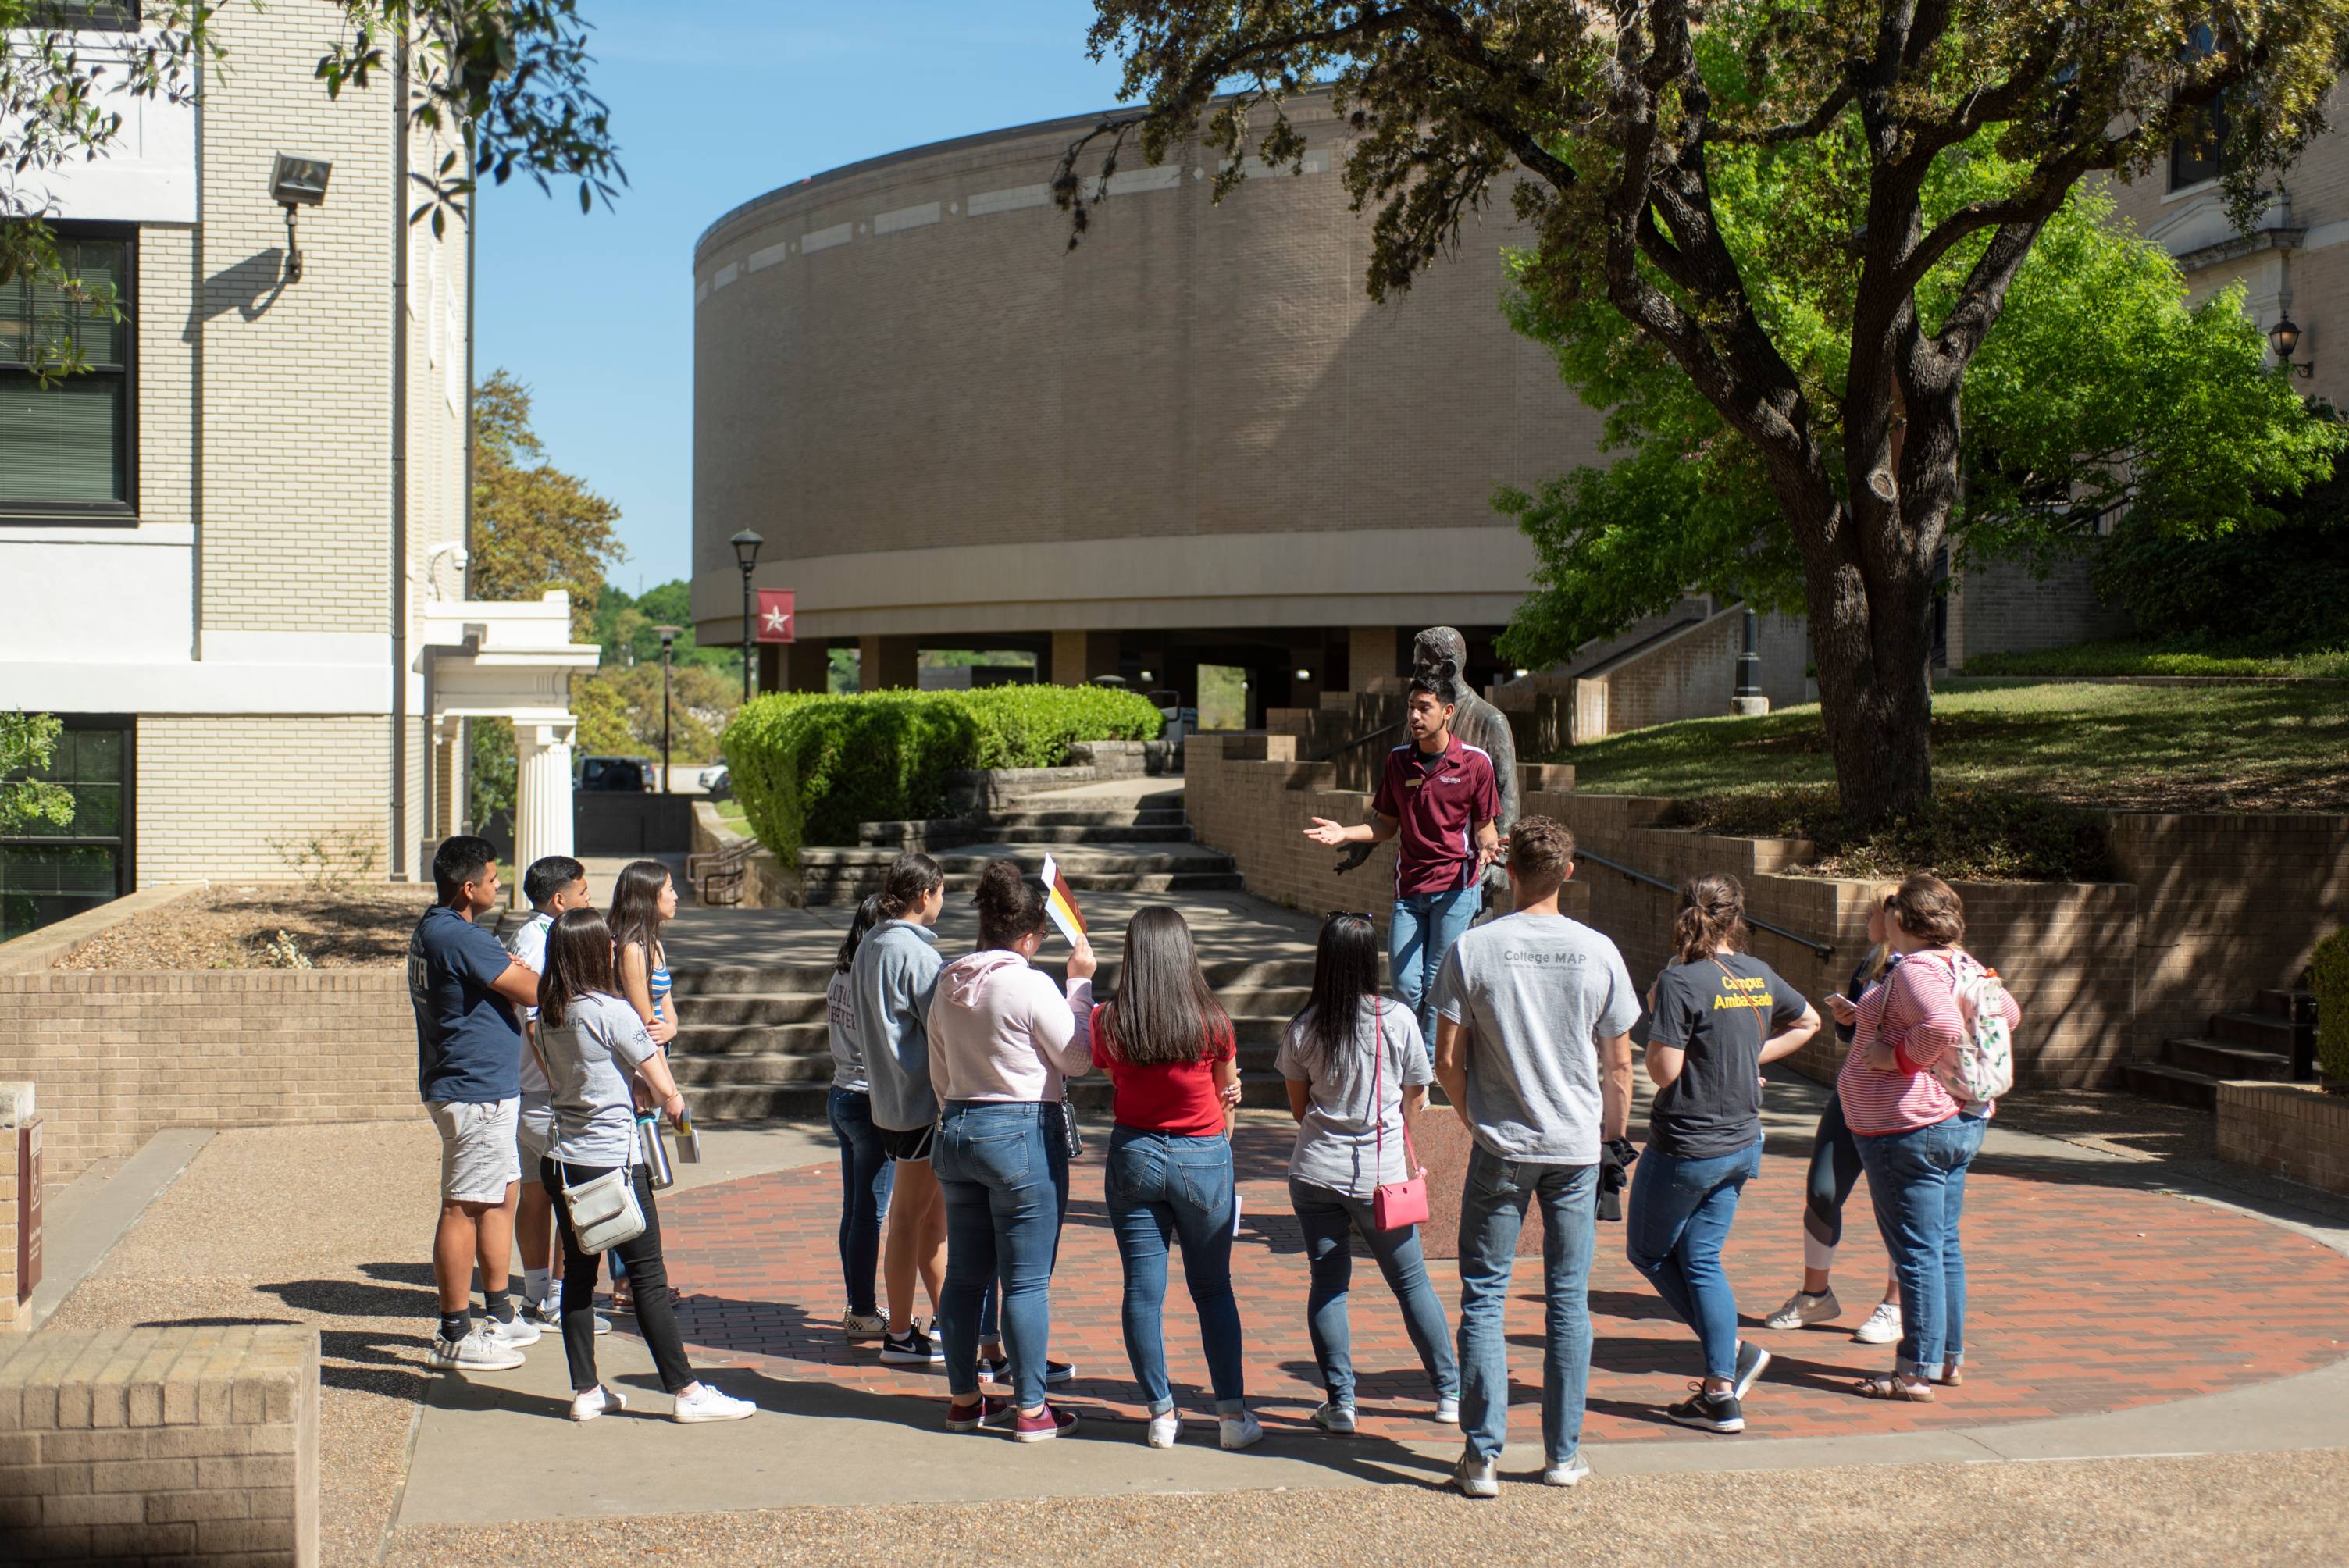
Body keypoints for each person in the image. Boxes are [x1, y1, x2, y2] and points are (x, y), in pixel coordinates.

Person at [1431, 816, 1639, 1495]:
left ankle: (1482, 1456)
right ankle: (1562, 1454)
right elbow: (1619, 1066)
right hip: (1576, 1146)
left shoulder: (1473, 948)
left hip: (1504, 1142)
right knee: (1567, 1299)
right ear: (1569, 873)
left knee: (1485, 1296)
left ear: (1506, 869)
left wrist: (1472, 1116)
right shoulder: (1599, 950)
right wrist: (1611, 1137)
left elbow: (1447, 1060)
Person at [535, 907, 756, 1424]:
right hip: (615, 1163)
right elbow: (663, 1085)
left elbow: (576, 1078)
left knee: (579, 1277)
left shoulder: (548, 1014)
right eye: (606, 944)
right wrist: (674, 1105)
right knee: (648, 1278)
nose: (614, 949)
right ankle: (687, 1392)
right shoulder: (611, 1013)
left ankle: (587, 1391)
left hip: (565, 1160)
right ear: (593, 952)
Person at [1624, 874, 1821, 1436]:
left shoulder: (1680, 981)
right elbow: (1808, 1020)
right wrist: (1748, 1052)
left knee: (1649, 1252)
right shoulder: (1757, 974)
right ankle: (1720, 1391)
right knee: (1702, 1260)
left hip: (1687, 1146)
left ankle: (1730, 1352)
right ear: (1737, 919)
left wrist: (1654, 1010)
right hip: (1741, 1143)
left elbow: (1664, 1072)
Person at [1075, 905, 1261, 1451]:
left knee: (1142, 1290)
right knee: (1212, 1288)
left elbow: (1111, 1070)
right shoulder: (1212, 1021)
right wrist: (1222, 1128)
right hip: (1202, 1154)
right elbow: (1229, 1093)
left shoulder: (1110, 1021)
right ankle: (1231, 1417)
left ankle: (1160, 1413)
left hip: (1135, 1151)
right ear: (1185, 954)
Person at [928, 861, 1097, 1441]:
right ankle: (1031, 1409)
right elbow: (1077, 1058)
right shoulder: (1028, 983)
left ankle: (964, 1400)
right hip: (1022, 1131)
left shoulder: (949, 982)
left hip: (958, 1129)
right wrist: (1080, 984)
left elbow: (939, 1071)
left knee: (966, 1277)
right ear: (1028, 936)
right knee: (1025, 1281)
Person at [1277, 911, 1460, 1438]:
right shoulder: (1397, 1019)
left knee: (1329, 1287)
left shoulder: (1304, 1027)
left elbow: (1299, 1109)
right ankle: (1448, 1392)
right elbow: (1416, 1100)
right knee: (1411, 1282)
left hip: (1314, 1173)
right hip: (1382, 1178)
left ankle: (1342, 1403)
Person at [1841, 874, 2020, 1402]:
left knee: (1916, 1252)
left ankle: (1914, 1372)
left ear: (1903, 918)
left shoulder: (1918, 966)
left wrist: (1895, 1056)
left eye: (1891, 909)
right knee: (1942, 1246)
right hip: (1956, 1118)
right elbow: (2007, 1013)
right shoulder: (1961, 963)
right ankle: (1946, 1359)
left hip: (1909, 1126)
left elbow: (1941, 1025)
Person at [1303, 672, 1500, 1051]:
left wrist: (1489, 847)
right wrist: (1346, 832)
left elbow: (1485, 828)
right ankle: (1408, 1059)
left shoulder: (1476, 762)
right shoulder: (1398, 761)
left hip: (1457, 887)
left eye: (1423, 708)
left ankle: (1423, 1071)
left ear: (1447, 712)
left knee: (1436, 984)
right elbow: (1385, 825)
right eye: (1410, 707)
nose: (1414, 716)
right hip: (1409, 888)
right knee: (1406, 985)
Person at [408, 835, 545, 1371]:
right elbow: (536, 988)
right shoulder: (461, 939)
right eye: (492, 880)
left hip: (478, 1087)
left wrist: (510, 971)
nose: (498, 886)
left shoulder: (438, 929)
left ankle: (500, 1313)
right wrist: (520, 974)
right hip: (473, 1091)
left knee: (499, 1196)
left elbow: (511, 980)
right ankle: (455, 1333)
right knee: (464, 1205)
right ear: (469, 887)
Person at [1764, 882, 1905, 1345]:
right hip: (1852, 1092)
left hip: (1901, 1103)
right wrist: (1850, 1022)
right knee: (1823, 1191)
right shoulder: (1871, 962)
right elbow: (1854, 1039)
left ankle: (1895, 1305)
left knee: (1900, 1206)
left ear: (1893, 917)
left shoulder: (1921, 969)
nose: (1865, 921)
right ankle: (1815, 1295)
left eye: (1871, 913)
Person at [854, 852, 954, 1365]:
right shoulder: (916, 956)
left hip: (889, 1102)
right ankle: (898, 1334)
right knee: (910, 1220)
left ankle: (948, 1323)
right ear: (924, 895)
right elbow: (942, 1026)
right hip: (919, 1105)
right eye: (941, 892)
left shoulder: (871, 943)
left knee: (930, 1221)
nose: (943, 902)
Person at [506, 854, 600, 1333]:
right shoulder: (542, 941)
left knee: (538, 1193)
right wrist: (563, 1083)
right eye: (584, 894)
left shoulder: (530, 937)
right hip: (546, 1094)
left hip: (532, 1091)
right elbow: (537, 1018)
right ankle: (557, 1299)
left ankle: (539, 1294)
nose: (590, 902)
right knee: (571, 1192)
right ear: (560, 899)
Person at [606, 860, 683, 1314]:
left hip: (656, 1062)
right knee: (632, 1177)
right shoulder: (631, 949)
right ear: (647, 897)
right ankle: (627, 1283)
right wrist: (656, 1070)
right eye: (669, 890)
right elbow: (640, 1023)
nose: (676, 897)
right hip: (638, 1071)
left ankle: (636, 1279)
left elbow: (666, 1016)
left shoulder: (654, 945)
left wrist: (671, 1029)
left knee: (642, 1175)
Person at [827, 894, 896, 1341]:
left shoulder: (840, 974)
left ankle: (859, 1302)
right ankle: (862, 1308)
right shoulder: (872, 977)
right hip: (870, 1101)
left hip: (840, 1094)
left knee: (856, 1208)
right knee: (870, 1212)